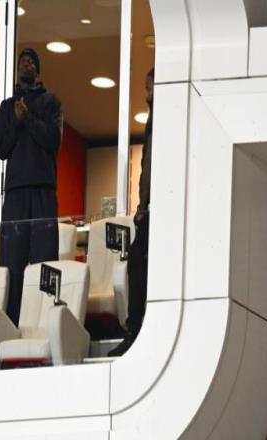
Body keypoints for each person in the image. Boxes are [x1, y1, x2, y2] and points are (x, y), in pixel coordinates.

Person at [0, 48, 63, 325]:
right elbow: (1, 148)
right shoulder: (7, 107)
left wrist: (28, 118)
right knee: (13, 259)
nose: (26, 64)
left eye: (31, 61)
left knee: (44, 258)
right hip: (16, 192)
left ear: (38, 69)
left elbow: (53, 139)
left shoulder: (50, 102)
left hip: (43, 189)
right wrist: (17, 121)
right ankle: (12, 322)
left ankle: (44, 320)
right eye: (22, 61)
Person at [109, 68, 154, 356]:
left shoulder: (167, 118)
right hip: (148, 209)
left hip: (159, 211)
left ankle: (139, 331)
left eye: (150, 87)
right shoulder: (153, 121)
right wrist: (141, 205)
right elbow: (146, 169)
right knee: (137, 266)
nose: (146, 93)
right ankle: (136, 329)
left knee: (140, 266)